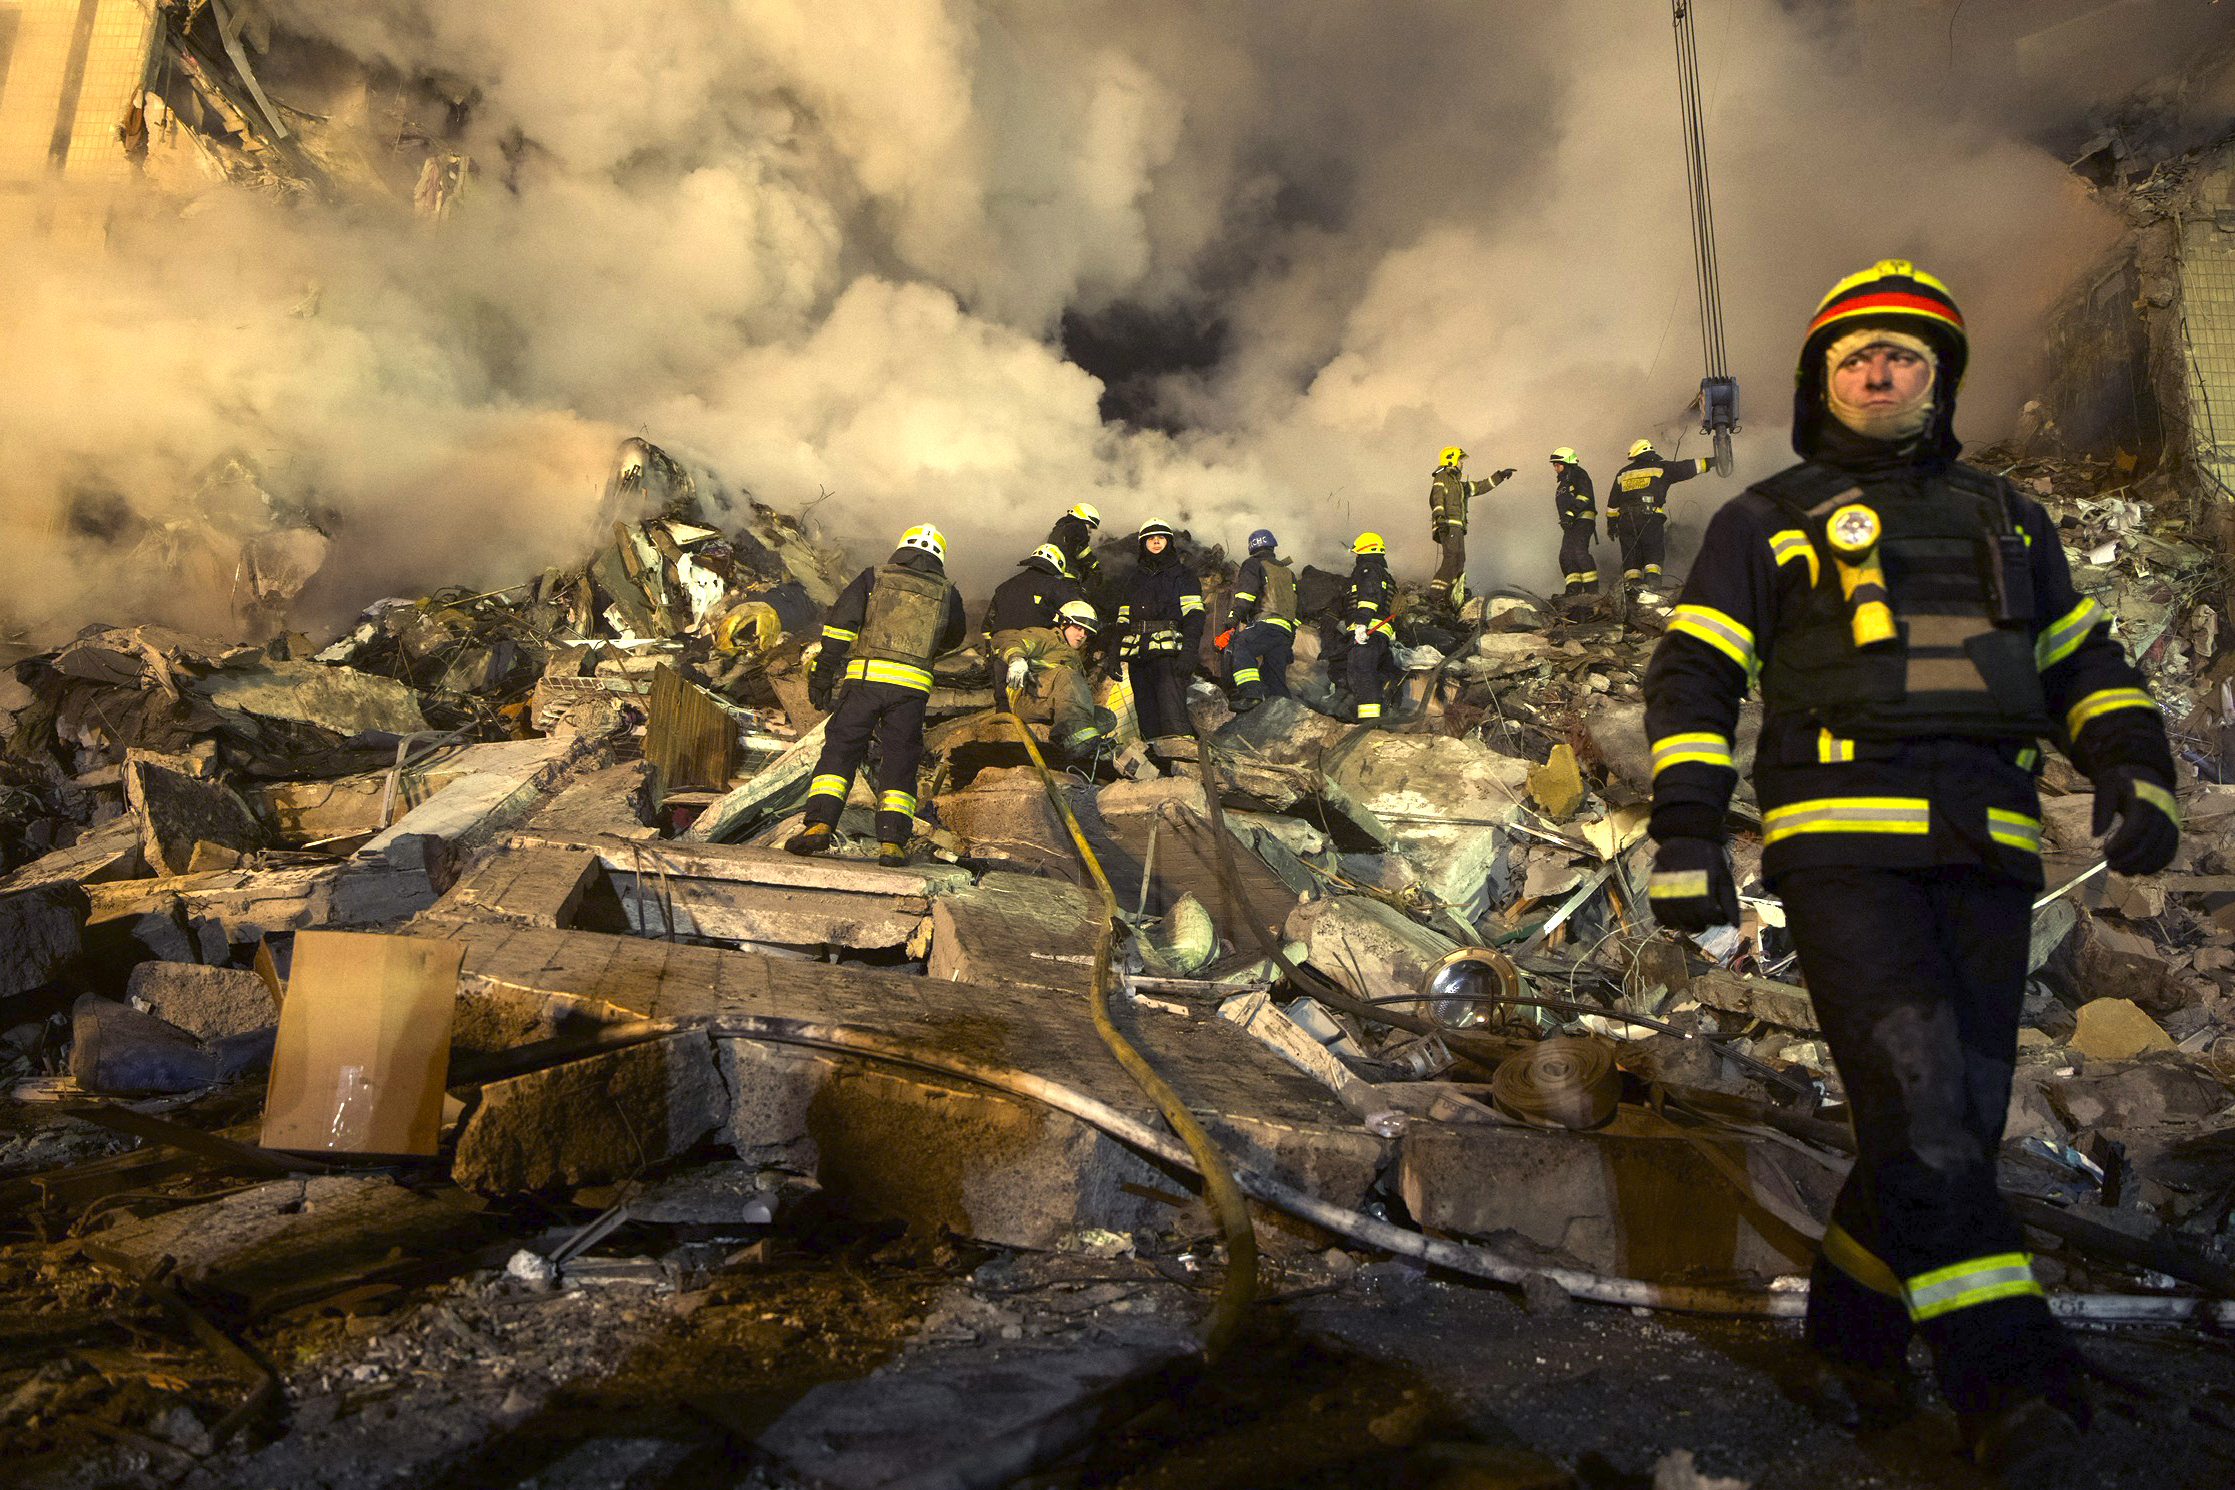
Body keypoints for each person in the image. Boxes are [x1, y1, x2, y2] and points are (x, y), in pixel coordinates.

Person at [1641, 260, 2178, 1486]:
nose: (1878, 369)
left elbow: (2081, 664)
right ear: (1820, 381)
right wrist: (1684, 828)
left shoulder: (2009, 519)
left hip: (1988, 848)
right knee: (1930, 1119)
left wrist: (2134, 767)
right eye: (1854, 355)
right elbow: (1694, 675)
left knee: (1952, 1128)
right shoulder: (1765, 518)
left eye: (1904, 355)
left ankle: (1852, 1338)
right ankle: (2014, 1382)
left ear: (1941, 381)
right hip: (1845, 848)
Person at [789, 523, 968, 866]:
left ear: (902, 548)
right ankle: (892, 845)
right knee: (900, 762)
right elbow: (953, 637)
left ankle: (819, 826)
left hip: (865, 684)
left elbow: (841, 625)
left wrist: (824, 670)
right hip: (911, 692)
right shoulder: (948, 592)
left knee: (841, 751)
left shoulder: (875, 577)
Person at [1112, 520, 1205, 749]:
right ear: (1143, 544)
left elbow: (1194, 615)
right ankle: (1157, 774)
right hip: (1138, 656)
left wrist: (1189, 653)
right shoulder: (1135, 578)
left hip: (1168, 657)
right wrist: (1114, 653)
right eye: (1150, 538)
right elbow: (1123, 619)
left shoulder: (1183, 575)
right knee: (1147, 718)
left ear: (1169, 542)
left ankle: (1183, 769)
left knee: (1173, 716)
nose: (1155, 541)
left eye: (1161, 537)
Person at [1001, 599, 1111, 762]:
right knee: (1067, 675)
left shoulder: (1074, 656)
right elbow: (1011, 640)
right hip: (1028, 699)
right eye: (1078, 627)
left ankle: (1070, 744)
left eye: (1086, 632)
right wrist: (1016, 658)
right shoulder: (1046, 636)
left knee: (1106, 716)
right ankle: (1079, 742)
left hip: (1052, 703)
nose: (1082, 635)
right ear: (1063, 623)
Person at [1607, 438, 1716, 599]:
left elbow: (1612, 504)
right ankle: (1652, 587)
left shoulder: (1623, 473)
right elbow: (1689, 467)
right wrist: (1712, 462)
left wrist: (1611, 524)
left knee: (1631, 556)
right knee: (1653, 552)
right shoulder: (1661, 467)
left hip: (1625, 521)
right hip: (1649, 518)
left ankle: (1632, 591)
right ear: (1651, 453)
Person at [1427, 446, 1515, 607]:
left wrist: (1500, 476)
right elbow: (1437, 499)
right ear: (1451, 460)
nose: (1462, 463)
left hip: (1457, 527)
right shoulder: (1442, 478)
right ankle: (1435, 594)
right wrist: (1439, 518)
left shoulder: (1459, 485)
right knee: (1452, 558)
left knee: (1460, 559)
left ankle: (1451, 594)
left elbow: (1481, 486)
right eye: (1460, 460)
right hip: (1447, 525)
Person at [1226, 528, 1299, 711]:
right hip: (1285, 631)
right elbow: (1299, 606)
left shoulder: (1252, 564)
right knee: (1273, 676)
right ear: (1273, 546)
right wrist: (1291, 635)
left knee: (1241, 646)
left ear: (1252, 548)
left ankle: (1251, 695)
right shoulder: (1288, 572)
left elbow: (1245, 595)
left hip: (1266, 624)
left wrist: (1233, 618)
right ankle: (1285, 713)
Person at [1341, 532, 1399, 722]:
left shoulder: (1368, 569)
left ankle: (1368, 724)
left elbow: (1368, 599)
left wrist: (1361, 625)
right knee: (1373, 675)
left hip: (1368, 632)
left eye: (1358, 553)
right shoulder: (1386, 576)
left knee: (1361, 673)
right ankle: (1378, 717)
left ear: (1364, 551)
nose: (1356, 557)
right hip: (1381, 634)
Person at [984, 543, 1081, 640]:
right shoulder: (1056, 586)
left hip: (1001, 647)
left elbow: (987, 626)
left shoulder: (1004, 587)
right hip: (1036, 649)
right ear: (1058, 565)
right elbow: (1079, 612)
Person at [1550, 447, 1598, 596]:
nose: (1555, 469)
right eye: (1554, 466)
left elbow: (1584, 495)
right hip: (1571, 524)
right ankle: (1573, 590)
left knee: (1578, 551)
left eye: (1558, 465)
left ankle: (1591, 592)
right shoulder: (1563, 484)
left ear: (1568, 463)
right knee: (1565, 555)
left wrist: (1571, 513)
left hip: (1583, 519)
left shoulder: (1578, 474)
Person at [1046, 503, 1103, 593]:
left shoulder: (1059, 529)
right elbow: (1082, 550)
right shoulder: (1077, 527)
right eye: (1090, 526)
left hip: (1053, 574)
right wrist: (1095, 567)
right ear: (1083, 519)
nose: (1090, 531)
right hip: (1068, 576)